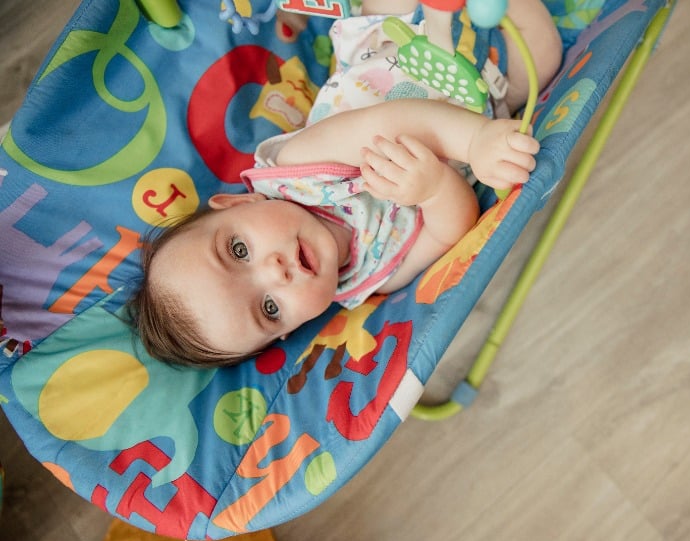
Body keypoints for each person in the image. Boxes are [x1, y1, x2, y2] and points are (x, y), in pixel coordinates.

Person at [130, 0, 562, 367]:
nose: (275, 272)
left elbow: (392, 121)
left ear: (237, 204)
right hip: (485, 96)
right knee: (544, 56)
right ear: (287, 331)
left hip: (397, 42)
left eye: (239, 250)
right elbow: (450, 232)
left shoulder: (298, 168)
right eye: (270, 308)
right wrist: (434, 191)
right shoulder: (371, 278)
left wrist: (474, 141)